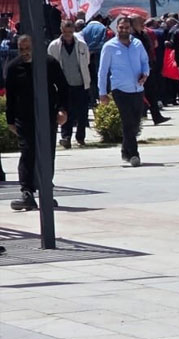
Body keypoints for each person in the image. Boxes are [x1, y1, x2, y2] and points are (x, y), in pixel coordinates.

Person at [6, 35, 69, 210]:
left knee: (47, 153)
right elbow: (10, 97)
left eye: (28, 49)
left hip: (47, 116)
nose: (25, 53)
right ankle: (27, 192)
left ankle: (46, 189)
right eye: (22, 49)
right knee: (28, 151)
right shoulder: (13, 68)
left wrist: (63, 110)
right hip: (24, 118)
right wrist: (10, 121)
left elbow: (63, 88)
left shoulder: (49, 63)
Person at [98, 17, 149, 167]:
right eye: (121, 28)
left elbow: (145, 62)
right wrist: (102, 92)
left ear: (131, 28)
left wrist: (145, 74)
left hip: (138, 88)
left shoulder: (137, 44)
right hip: (120, 89)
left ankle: (125, 150)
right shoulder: (109, 46)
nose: (124, 30)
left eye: (126, 28)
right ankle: (134, 154)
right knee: (127, 122)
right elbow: (103, 71)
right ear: (117, 28)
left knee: (135, 122)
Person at [47, 20, 91, 148]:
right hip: (63, 85)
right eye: (65, 32)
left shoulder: (81, 45)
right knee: (65, 111)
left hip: (80, 83)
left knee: (82, 112)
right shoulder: (54, 46)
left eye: (70, 32)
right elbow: (51, 64)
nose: (68, 34)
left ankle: (80, 137)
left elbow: (86, 61)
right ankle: (66, 137)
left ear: (74, 31)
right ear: (61, 30)